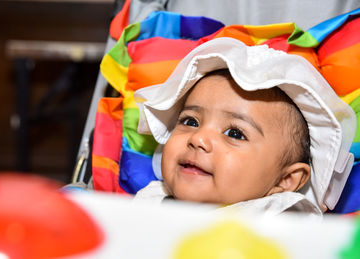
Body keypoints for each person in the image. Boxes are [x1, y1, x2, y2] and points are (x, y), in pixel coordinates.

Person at [133, 37, 356, 217]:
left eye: (235, 133)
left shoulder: (281, 221)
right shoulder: (148, 203)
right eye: (190, 121)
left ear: (285, 180)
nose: (198, 138)